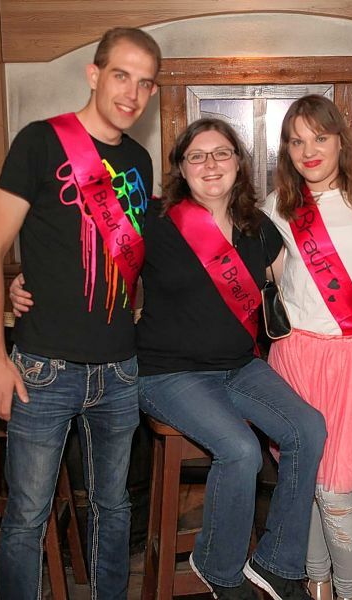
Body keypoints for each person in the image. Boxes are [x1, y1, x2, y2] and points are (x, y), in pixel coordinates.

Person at [0, 27, 161, 600]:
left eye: (145, 83)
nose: (132, 93)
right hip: (43, 370)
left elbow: (127, 264)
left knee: (114, 509)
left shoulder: (140, 161)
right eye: (121, 75)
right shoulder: (40, 142)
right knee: (27, 517)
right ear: (94, 74)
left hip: (119, 370)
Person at [137, 118, 326, 600]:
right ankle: (218, 569)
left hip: (240, 367)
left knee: (308, 428)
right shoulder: (155, 220)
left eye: (221, 153)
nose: (210, 164)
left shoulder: (256, 227)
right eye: (197, 156)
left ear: (239, 163)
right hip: (169, 374)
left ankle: (278, 563)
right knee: (241, 449)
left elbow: (298, 283)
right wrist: (30, 281)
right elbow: (98, 263)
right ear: (181, 167)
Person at [261, 95, 352, 600]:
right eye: (296, 141)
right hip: (296, 360)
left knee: (335, 488)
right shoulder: (275, 207)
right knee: (308, 483)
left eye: (320, 137)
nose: (309, 151)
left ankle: (350, 592)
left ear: (342, 139)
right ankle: (317, 585)